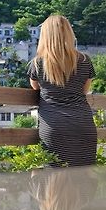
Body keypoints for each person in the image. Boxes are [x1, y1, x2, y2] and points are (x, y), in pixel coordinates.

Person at [28, 15, 97, 166]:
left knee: (55, 181)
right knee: (84, 180)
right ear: (69, 33)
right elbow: (84, 90)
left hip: (54, 126)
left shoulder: (38, 63)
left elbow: (35, 87)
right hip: (83, 124)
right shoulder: (85, 60)